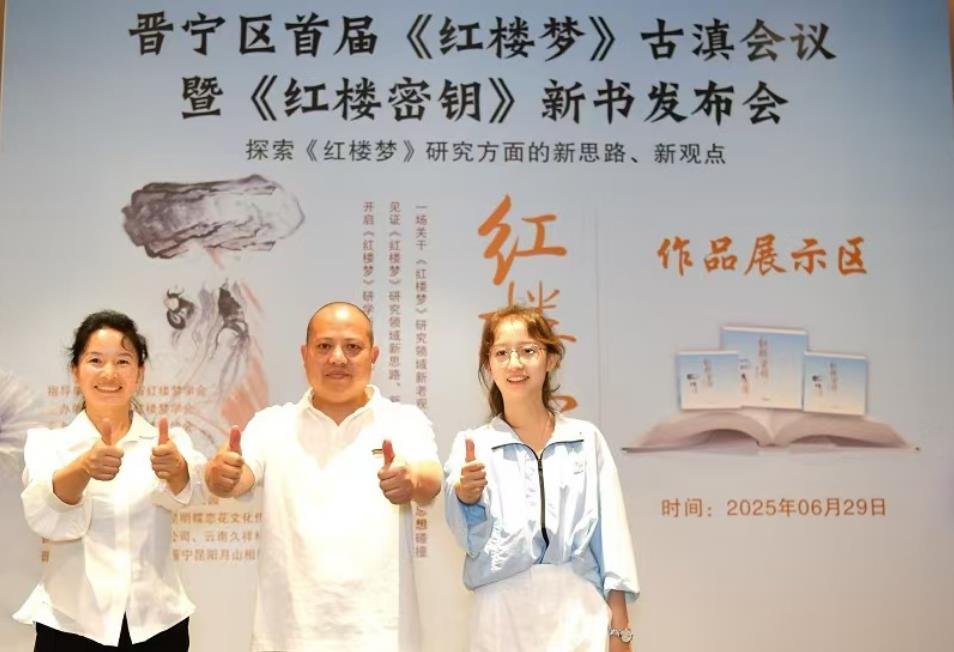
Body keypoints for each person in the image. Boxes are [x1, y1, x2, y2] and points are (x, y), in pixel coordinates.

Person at [204, 301, 442, 652]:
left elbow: (431, 480)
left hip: (381, 634)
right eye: (324, 346)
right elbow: (233, 478)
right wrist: (219, 473)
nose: (338, 358)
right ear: (305, 354)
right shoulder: (271, 424)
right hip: (287, 635)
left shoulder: (404, 420)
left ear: (374, 355)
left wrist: (411, 481)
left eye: (353, 347)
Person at [444, 305, 639, 652]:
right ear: (488, 365)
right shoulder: (472, 445)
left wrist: (620, 630)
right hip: (500, 612)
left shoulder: (585, 439)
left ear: (550, 359)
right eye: (501, 353)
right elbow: (467, 536)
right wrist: (465, 496)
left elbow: (611, 537)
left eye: (528, 351)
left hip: (578, 609)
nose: (515, 363)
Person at [14, 310, 206, 650]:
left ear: (140, 373)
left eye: (122, 361)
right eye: (95, 360)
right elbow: (46, 515)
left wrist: (177, 470)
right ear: (75, 371)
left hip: (156, 626)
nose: (109, 373)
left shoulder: (166, 442)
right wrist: (84, 467)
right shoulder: (49, 444)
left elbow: (194, 491)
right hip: (70, 627)